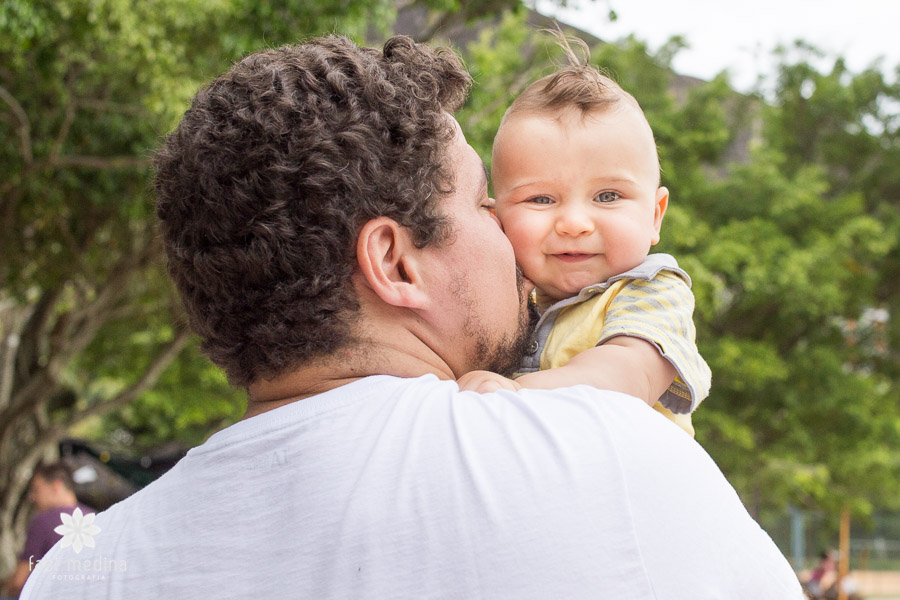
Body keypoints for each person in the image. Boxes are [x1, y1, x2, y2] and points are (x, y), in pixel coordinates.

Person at [22, 34, 802, 599]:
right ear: (395, 262)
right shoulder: (609, 450)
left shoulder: (79, 568)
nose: (513, 233)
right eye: (483, 205)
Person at [458, 35, 708, 436]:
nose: (574, 223)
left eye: (608, 196)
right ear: (497, 216)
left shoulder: (651, 290)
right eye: (540, 199)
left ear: (655, 216)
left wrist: (515, 393)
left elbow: (628, 374)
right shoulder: (505, 301)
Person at [2, 463, 93, 597]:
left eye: (36, 489)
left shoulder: (44, 521)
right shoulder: (96, 517)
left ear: (56, 485)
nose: (32, 497)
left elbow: (18, 582)